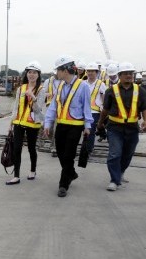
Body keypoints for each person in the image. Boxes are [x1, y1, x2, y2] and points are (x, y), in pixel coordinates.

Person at [43, 56, 93, 198]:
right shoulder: (60, 85)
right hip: (61, 125)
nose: (56, 74)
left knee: (68, 155)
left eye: (58, 70)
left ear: (65, 70)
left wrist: (87, 126)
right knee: (60, 153)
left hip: (75, 126)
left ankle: (63, 184)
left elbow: (87, 107)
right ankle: (71, 173)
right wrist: (48, 123)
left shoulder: (83, 86)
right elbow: (53, 106)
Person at [97, 62, 146, 191]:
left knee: (127, 154)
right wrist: (100, 123)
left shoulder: (140, 90)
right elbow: (105, 110)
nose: (129, 76)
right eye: (126, 73)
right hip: (114, 127)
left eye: (131, 73)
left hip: (132, 128)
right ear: (120, 75)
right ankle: (114, 180)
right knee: (115, 153)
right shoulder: (110, 91)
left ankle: (120, 172)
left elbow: (144, 108)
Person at [6, 61, 45, 185]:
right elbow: (16, 106)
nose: (31, 75)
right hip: (19, 122)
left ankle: (33, 170)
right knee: (17, 149)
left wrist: (33, 97)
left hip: (33, 124)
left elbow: (38, 110)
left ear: (38, 75)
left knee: (31, 149)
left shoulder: (41, 89)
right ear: (26, 74)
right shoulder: (21, 88)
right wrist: (11, 121)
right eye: (29, 72)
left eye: (34, 72)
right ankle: (16, 176)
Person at [85, 62, 106, 154]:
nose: (90, 73)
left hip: (95, 111)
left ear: (96, 72)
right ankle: (87, 147)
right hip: (83, 111)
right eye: (88, 71)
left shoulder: (101, 84)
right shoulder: (83, 83)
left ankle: (88, 150)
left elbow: (104, 98)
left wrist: (104, 110)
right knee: (84, 130)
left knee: (90, 130)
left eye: (92, 71)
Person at [42, 71, 61, 157]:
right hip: (50, 107)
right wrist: (47, 94)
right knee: (48, 127)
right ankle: (53, 142)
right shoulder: (48, 81)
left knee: (56, 128)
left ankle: (54, 147)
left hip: (60, 107)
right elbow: (42, 93)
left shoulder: (64, 81)